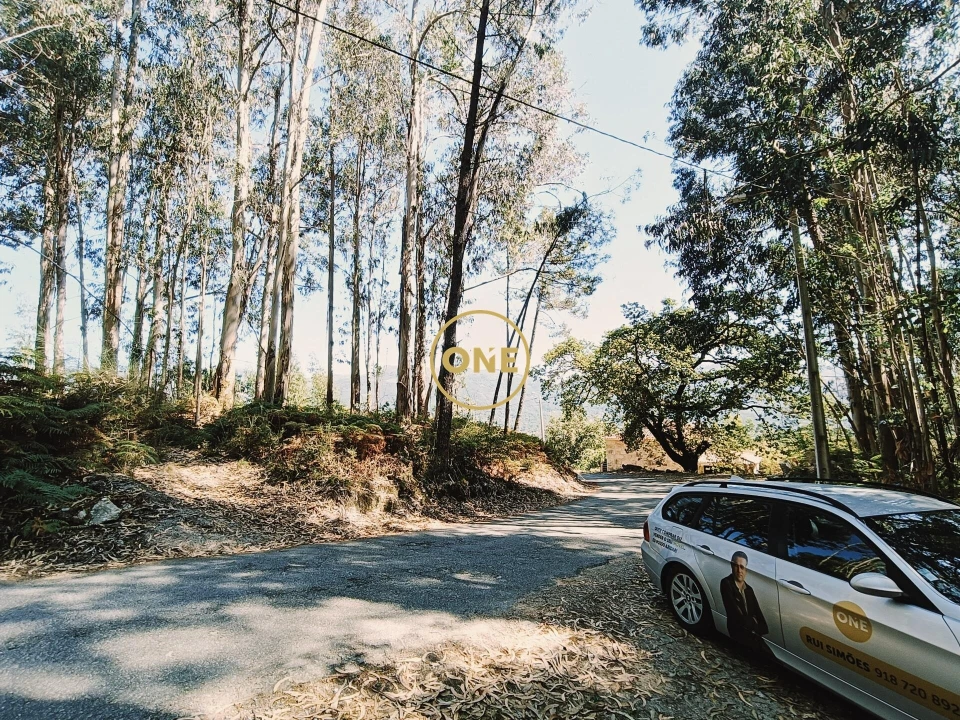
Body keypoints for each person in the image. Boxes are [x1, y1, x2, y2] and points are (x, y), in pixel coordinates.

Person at [720, 550, 769, 651]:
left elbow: (764, 626)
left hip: (754, 636)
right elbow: (735, 616)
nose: (739, 570)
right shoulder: (726, 583)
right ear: (731, 566)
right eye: (736, 566)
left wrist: (752, 623)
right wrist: (753, 621)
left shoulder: (749, 590)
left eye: (742, 567)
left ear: (746, 569)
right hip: (738, 634)